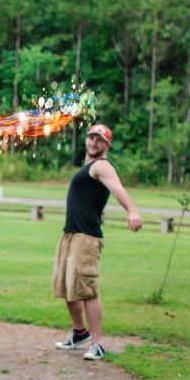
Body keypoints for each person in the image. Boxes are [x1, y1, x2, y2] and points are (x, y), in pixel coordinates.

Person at [53, 123, 142, 361]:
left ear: (107, 146)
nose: (94, 142)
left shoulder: (102, 166)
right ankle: (79, 332)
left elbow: (118, 189)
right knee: (68, 288)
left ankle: (98, 343)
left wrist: (131, 210)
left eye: (99, 140)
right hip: (71, 234)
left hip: (86, 238)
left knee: (87, 290)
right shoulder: (89, 166)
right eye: (91, 138)